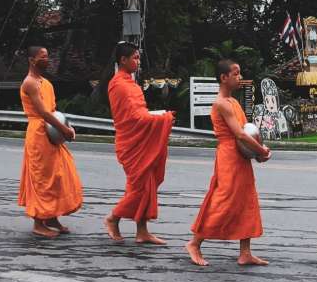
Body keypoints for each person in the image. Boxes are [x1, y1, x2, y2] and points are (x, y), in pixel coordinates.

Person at [186, 59, 271, 267]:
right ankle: (195, 243)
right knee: (224, 201)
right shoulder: (221, 103)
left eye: (239, 73)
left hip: (241, 156)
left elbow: (248, 132)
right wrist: (260, 151)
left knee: (247, 200)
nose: (239, 77)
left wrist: (257, 153)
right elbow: (240, 135)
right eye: (236, 74)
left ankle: (245, 252)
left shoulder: (233, 102)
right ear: (224, 78)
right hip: (229, 157)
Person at [103, 42, 176, 245]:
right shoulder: (118, 84)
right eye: (134, 57)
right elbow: (133, 118)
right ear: (123, 60)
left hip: (138, 140)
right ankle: (113, 218)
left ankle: (142, 231)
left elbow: (140, 114)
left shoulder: (132, 84)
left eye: (138, 57)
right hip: (131, 142)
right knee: (139, 189)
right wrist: (164, 119)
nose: (137, 61)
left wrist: (156, 116)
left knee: (147, 184)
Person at [18, 46, 82, 238]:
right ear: (31, 60)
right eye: (42, 57)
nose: (47, 60)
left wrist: (66, 127)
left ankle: (52, 217)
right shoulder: (30, 83)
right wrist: (64, 130)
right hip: (38, 134)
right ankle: (39, 223)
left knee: (58, 175)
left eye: (47, 56)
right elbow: (43, 113)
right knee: (42, 178)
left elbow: (54, 111)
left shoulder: (46, 83)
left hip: (52, 133)